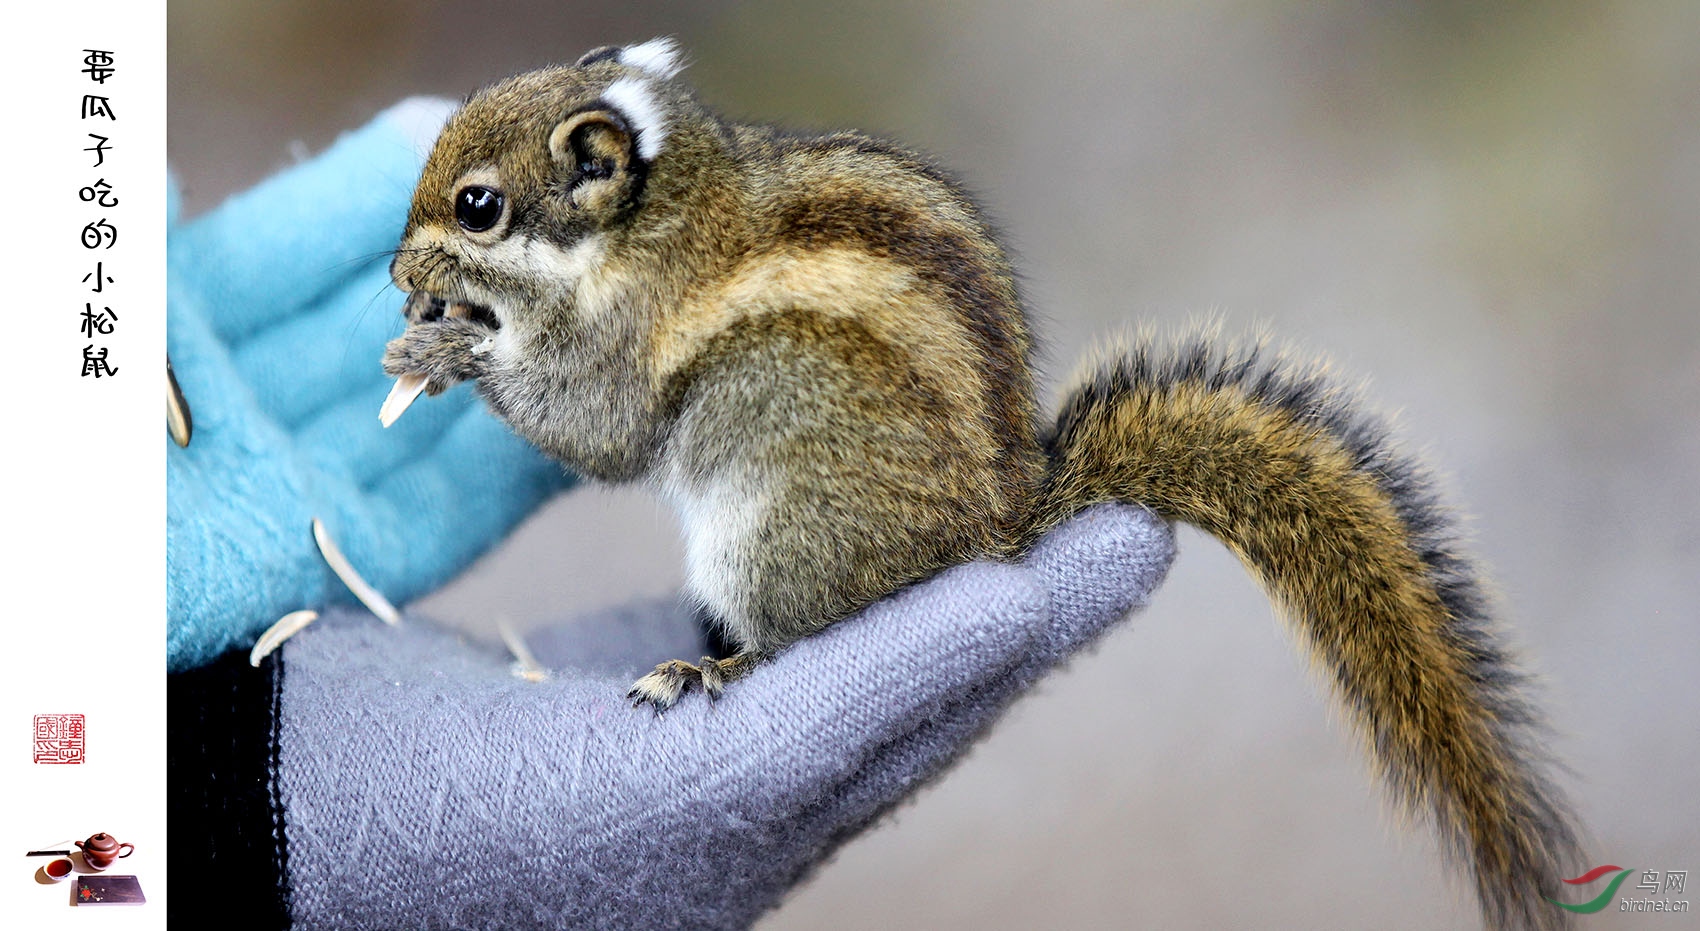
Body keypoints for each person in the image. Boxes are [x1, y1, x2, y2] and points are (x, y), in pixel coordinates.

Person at [165, 100, 1175, 929]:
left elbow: (613, 437)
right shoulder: (651, 257)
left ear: (592, 175)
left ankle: (771, 643)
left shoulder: (649, 297)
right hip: (887, 440)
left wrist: (479, 359)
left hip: (846, 484)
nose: (420, 264)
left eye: (475, 215)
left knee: (749, 534)